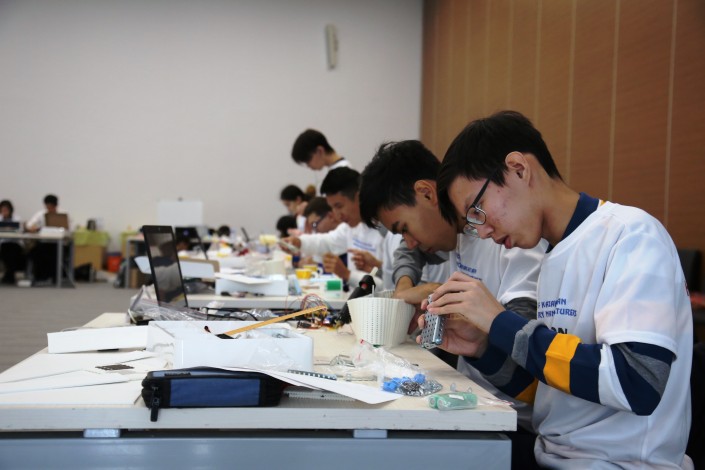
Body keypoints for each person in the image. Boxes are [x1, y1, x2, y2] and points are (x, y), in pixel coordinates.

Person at [427, 110, 693, 468]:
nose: (483, 231)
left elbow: (638, 382)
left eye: (477, 210)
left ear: (518, 169)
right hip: (551, 453)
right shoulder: (550, 257)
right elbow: (552, 390)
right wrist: (482, 349)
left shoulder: (630, 235)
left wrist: (502, 323)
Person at [358, 140, 545, 437]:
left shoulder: (509, 238)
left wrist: (461, 307)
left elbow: (521, 346)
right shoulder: (457, 234)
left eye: (404, 228)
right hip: (472, 401)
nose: (410, 242)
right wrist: (407, 288)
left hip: (511, 419)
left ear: (426, 193)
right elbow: (410, 252)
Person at [282, 167, 385, 289]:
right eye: (333, 208)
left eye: (339, 206)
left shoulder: (385, 232)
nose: (336, 214)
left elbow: (390, 288)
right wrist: (299, 242)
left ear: (358, 197)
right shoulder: (350, 227)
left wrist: (347, 275)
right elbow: (327, 242)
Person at [25, 194, 68, 284]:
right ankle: (40, 277)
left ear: (56, 206)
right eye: (48, 207)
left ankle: (55, 277)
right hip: (44, 243)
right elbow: (29, 225)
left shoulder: (63, 214)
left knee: (54, 254)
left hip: (58, 244)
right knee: (35, 252)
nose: (49, 209)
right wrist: (33, 228)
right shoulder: (40, 214)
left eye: (51, 207)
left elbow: (69, 230)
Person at [0, 200, 26, 284]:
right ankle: (10, 275)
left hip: (15, 243)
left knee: (11, 250)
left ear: (10, 210)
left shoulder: (17, 218)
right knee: (6, 248)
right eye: (2, 210)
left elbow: (21, 230)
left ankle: (8, 275)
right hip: (3, 243)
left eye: (6, 210)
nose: (4, 212)